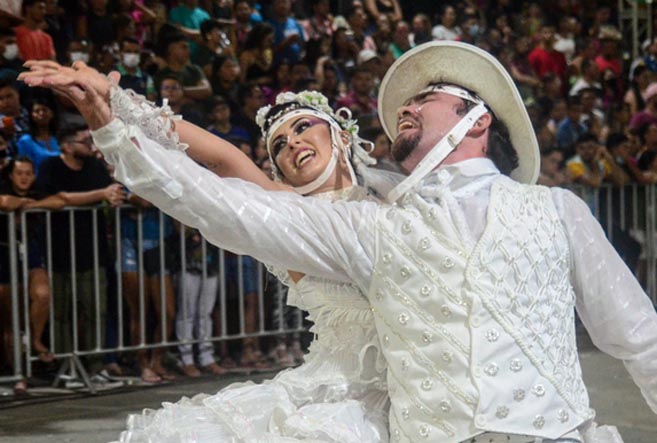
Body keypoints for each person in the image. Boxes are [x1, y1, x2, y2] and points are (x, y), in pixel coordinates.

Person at [23, 40, 657, 442]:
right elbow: (215, 198)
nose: (405, 107)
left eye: (425, 97)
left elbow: (638, 335)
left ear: (476, 116)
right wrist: (114, 122)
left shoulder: (557, 209)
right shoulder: (361, 228)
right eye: (279, 145)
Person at [22, 65, 396, 441]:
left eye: (302, 127)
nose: (292, 143)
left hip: (426, 382)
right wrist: (115, 103)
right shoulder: (285, 212)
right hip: (343, 403)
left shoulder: (396, 200)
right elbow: (221, 159)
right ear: (279, 172)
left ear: (343, 136)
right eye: (278, 145)